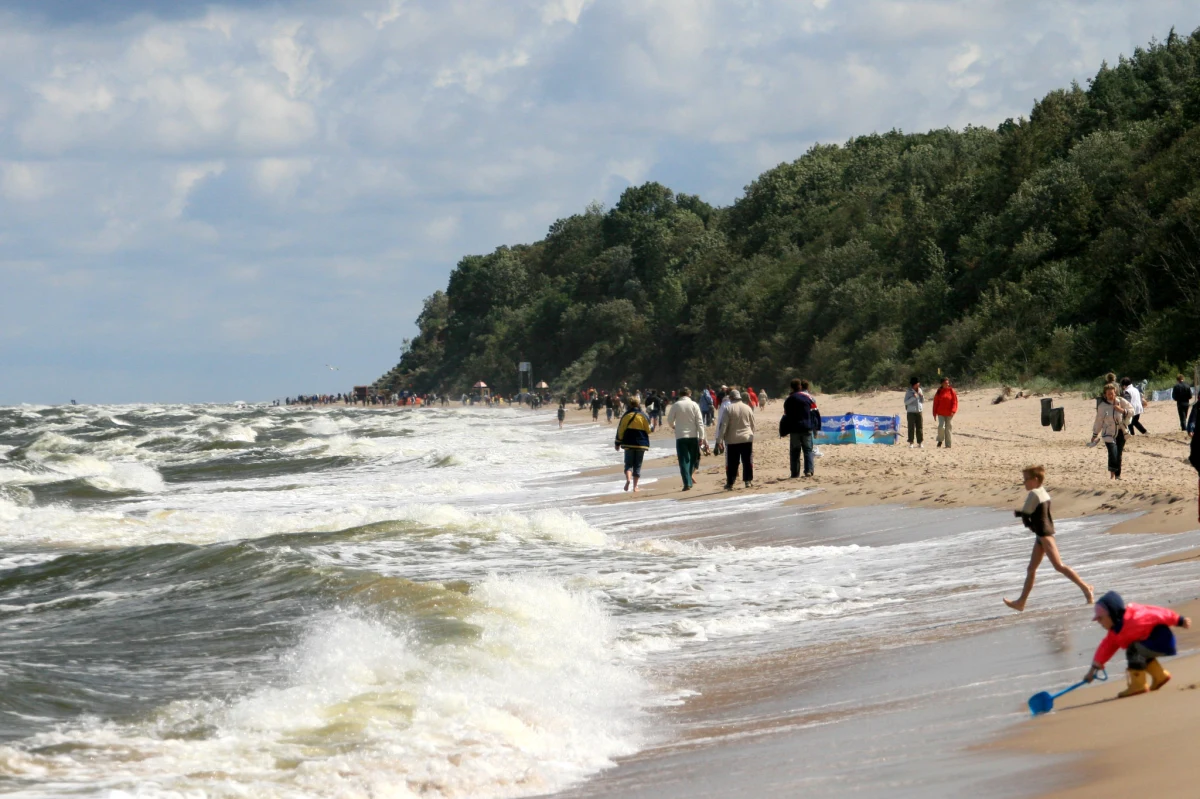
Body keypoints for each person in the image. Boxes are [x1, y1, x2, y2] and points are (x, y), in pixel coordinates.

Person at [1003, 465, 1093, 611]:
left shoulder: (1033, 494)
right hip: (1043, 534)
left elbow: (1026, 516)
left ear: (1035, 479)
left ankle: (1086, 587)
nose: (1024, 482)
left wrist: (1027, 523)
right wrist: (1023, 516)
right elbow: (1039, 513)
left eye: (1026, 479)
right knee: (1031, 568)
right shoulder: (1042, 492)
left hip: (1044, 535)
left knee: (1059, 566)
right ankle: (1021, 602)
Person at [1082, 591, 1192, 697]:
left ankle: (1138, 684)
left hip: (1162, 640)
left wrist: (1179, 620)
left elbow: (1158, 613)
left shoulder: (1136, 617)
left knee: (1133, 650)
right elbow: (1105, 648)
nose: (1099, 622)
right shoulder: (1114, 632)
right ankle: (1160, 676)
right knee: (1140, 652)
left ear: (1112, 614)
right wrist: (1093, 670)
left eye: (1100, 618)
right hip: (1150, 645)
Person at [1092, 383, 1133, 479]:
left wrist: (1121, 410)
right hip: (1108, 433)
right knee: (1112, 452)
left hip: (1121, 431)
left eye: (1112, 393)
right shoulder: (1102, 406)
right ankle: (1112, 473)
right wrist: (1095, 434)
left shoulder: (1121, 401)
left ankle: (1118, 475)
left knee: (1118, 454)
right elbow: (1099, 421)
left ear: (1115, 393)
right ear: (1105, 394)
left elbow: (1132, 411)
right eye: (1109, 394)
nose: (1111, 395)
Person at [667, 387, 705, 491]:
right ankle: (689, 478)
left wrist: (674, 426)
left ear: (680, 394)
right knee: (693, 458)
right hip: (693, 435)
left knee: (683, 460)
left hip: (681, 436)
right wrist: (701, 436)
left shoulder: (676, 405)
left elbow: (670, 420)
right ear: (690, 394)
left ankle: (687, 483)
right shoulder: (694, 405)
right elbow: (700, 422)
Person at [717, 389, 756, 489]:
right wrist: (751, 434)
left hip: (732, 440)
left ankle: (730, 482)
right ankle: (748, 481)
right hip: (746, 438)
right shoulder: (747, 408)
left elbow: (723, 425)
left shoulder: (728, 408)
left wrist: (719, 440)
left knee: (732, 463)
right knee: (747, 461)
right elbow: (752, 424)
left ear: (731, 398)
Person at [783, 378, 819, 478]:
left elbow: (786, 415)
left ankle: (795, 473)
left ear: (791, 387)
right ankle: (809, 471)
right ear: (800, 386)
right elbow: (814, 413)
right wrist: (816, 428)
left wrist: (784, 429)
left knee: (795, 451)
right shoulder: (808, 397)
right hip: (807, 427)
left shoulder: (789, 399)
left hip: (794, 429)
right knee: (808, 450)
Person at [615, 397, 651, 493]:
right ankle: (635, 487)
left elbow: (620, 430)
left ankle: (628, 479)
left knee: (628, 464)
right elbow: (649, 430)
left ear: (629, 404)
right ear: (638, 404)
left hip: (628, 443)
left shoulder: (626, 415)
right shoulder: (643, 415)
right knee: (637, 465)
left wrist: (617, 443)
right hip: (641, 443)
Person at [932, 377, 958, 449]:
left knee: (948, 429)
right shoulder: (939, 391)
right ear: (942, 384)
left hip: (949, 413)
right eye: (946, 383)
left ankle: (948, 445)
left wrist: (953, 410)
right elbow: (935, 403)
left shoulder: (952, 391)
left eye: (948, 383)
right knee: (941, 427)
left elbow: (955, 402)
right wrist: (934, 413)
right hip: (941, 413)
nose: (947, 384)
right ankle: (940, 440)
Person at [904, 377, 924, 448]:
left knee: (920, 427)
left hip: (919, 411)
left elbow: (922, 401)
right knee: (911, 427)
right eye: (917, 383)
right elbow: (906, 402)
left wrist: (922, 396)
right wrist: (913, 397)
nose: (919, 384)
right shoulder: (909, 391)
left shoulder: (920, 390)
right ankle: (911, 442)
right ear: (914, 384)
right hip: (911, 412)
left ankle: (920, 442)